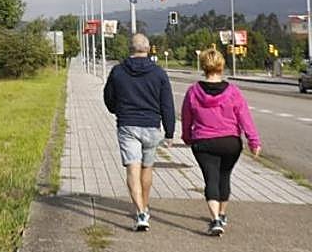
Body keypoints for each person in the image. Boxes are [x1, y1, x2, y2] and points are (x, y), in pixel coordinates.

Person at [181, 47, 262, 236]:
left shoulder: (193, 91)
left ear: (203, 66)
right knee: (224, 176)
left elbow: (187, 117)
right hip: (230, 142)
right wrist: (253, 141)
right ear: (221, 66)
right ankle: (222, 214)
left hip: (203, 142)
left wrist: (187, 136)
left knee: (211, 179)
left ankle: (215, 219)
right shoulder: (233, 91)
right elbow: (244, 117)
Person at [103, 33, 176, 231]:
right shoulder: (159, 73)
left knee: (132, 169)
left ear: (131, 48)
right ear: (148, 48)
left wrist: (117, 110)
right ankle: (144, 206)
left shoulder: (118, 71)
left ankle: (141, 213)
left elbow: (108, 97)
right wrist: (170, 132)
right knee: (147, 168)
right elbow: (167, 104)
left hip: (127, 125)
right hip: (152, 126)